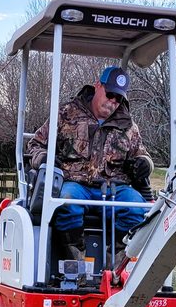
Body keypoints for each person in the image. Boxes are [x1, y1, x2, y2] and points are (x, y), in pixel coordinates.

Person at [27, 66, 154, 262]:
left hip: (114, 188)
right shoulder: (67, 114)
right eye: (110, 94)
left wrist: (144, 164)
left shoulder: (128, 125)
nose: (112, 102)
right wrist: (44, 159)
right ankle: (76, 263)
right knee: (66, 202)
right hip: (75, 183)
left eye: (118, 98)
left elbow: (142, 155)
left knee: (137, 209)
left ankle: (114, 264)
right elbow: (35, 145)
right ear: (97, 86)